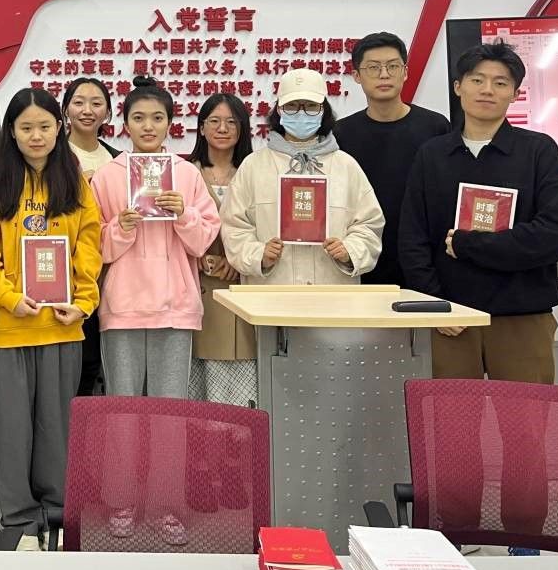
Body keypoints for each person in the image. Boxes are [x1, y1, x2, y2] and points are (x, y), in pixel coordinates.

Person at [398, 41, 558, 552]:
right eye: (477, 80)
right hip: (452, 318)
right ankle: (454, 533)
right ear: (458, 87)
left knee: (526, 430)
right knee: (453, 432)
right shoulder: (433, 155)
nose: (487, 90)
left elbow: (554, 235)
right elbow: (413, 239)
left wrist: (471, 244)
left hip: (522, 315)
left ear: (515, 94)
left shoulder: (538, 151)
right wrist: (436, 306)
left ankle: (525, 537)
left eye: (501, 83)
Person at [0, 88, 102, 550]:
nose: (36, 136)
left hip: (62, 322)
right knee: (13, 426)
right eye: (26, 127)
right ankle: (19, 514)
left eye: (45, 126)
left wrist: (83, 301)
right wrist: (8, 299)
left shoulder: (75, 183)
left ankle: (58, 507)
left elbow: (90, 246)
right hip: (9, 326)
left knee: (56, 424)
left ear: (59, 128)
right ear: (11, 132)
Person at [90, 76, 219, 399]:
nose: (148, 126)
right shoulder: (107, 175)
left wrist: (183, 214)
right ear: (125, 125)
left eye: (157, 118)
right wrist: (120, 227)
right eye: (138, 118)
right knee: (123, 405)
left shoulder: (186, 173)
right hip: (122, 307)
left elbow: (203, 239)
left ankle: (168, 442)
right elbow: (92, 246)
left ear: (170, 124)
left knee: (169, 407)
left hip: (175, 306)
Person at [220, 68, 384, 288]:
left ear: (324, 111)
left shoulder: (346, 166)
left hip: (333, 293)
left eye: (311, 106)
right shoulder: (253, 166)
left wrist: (350, 251)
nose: (301, 113)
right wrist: (259, 255)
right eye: (292, 106)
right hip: (271, 294)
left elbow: (370, 224)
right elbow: (233, 226)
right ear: (279, 111)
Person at [334, 32, 450, 287]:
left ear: (405, 72)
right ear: (356, 75)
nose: (384, 75)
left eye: (392, 66)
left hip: (425, 256)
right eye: (373, 67)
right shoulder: (341, 133)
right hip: (362, 255)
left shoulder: (436, 127)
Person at [185, 94, 258, 406]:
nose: (223, 128)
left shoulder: (255, 172)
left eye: (231, 122)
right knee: (194, 387)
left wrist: (238, 259)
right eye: (214, 121)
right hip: (194, 288)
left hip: (241, 291)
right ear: (201, 128)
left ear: (243, 128)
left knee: (238, 391)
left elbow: (270, 227)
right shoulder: (184, 172)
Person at [62, 76, 121, 396]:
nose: (87, 110)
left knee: (100, 362)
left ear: (108, 113)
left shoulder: (120, 160)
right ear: (65, 110)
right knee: (74, 362)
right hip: (68, 273)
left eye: (96, 103)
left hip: (109, 272)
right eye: (79, 102)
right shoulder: (53, 156)